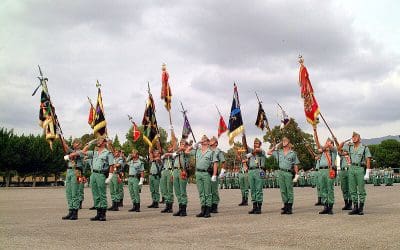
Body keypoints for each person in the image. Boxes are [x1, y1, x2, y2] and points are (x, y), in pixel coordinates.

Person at [81, 137, 114, 221]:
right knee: (95, 194)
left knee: (102, 194)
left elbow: (111, 165)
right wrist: (91, 142)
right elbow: (83, 152)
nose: (98, 142)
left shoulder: (108, 153)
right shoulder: (94, 153)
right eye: (98, 140)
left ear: (104, 143)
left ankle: (103, 214)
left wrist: (110, 177)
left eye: (100, 141)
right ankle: (98, 214)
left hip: (101, 174)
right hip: (93, 175)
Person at [185, 135, 218, 218]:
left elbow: (215, 163)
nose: (202, 141)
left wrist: (214, 174)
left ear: (207, 142)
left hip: (206, 173)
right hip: (198, 173)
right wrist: (195, 144)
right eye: (201, 139)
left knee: (207, 193)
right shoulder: (197, 151)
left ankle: (208, 211)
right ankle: (203, 210)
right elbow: (186, 151)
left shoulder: (211, 152)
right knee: (201, 193)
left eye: (204, 140)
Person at [341, 132, 372, 215]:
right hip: (351, 168)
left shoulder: (364, 148)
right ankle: (355, 207)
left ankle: (361, 208)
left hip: (360, 168)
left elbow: (368, 160)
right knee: (352, 189)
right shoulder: (349, 147)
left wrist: (367, 172)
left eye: (355, 136)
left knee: (361, 189)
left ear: (359, 138)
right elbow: (340, 151)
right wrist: (342, 143)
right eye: (352, 136)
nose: (353, 138)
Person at [267, 137, 299, 215]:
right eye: (283, 141)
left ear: (289, 143)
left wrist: (297, 174)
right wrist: (275, 146)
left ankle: (290, 207)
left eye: (285, 140)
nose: (284, 141)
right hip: (280, 172)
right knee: (283, 190)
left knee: (289, 190)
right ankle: (285, 206)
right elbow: (268, 152)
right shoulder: (279, 152)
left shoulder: (293, 153)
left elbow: (295, 164)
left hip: (288, 173)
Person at [313, 127, 337, 215]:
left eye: (328, 142)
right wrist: (315, 132)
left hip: (329, 170)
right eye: (326, 142)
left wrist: (326, 145)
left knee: (329, 189)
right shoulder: (322, 152)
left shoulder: (333, 151)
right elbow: (317, 143)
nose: (327, 143)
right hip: (321, 171)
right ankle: (325, 206)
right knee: (322, 189)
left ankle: (330, 207)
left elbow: (330, 146)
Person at [62, 138, 84, 220]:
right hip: (69, 171)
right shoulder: (71, 150)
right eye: (74, 143)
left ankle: (75, 212)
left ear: (80, 144)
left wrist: (68, 156)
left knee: (75, 192)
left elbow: (74, 155)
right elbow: (66, 147)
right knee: (69, 192)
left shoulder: (81, 152)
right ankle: (70, 211)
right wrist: (62, 139)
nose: (75, 144)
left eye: (77, 143)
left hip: (76, 171)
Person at [244, 138, 266, 215]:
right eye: (254, 143)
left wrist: (250, 154)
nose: (255, 144)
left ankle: (259, 207)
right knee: (252, 189)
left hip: (258, 170)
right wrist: (244, 137)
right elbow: (245, 146)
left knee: (258, 189)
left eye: (257, 143)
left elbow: (257, 150)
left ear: (260, 145)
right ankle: (254, 207)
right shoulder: (251, 151)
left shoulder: (262, 151)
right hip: (251, 171)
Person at [171, 139, 190, 216]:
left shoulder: (186, 152)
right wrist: (172, 174)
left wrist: (184, 149)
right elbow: (173, 155)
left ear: (186, 145)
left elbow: (187, 153)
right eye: (181, 143)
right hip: (175, 171)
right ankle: (180, 208)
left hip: (182, 171)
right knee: (177, 191)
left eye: (183, 144)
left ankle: (184, 210)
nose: (182, 145)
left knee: (182, 191)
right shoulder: (177, 152)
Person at [210, 136, 225, 213]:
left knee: (214, 190)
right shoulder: (207, 150)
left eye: (212, 140)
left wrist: (222, 171)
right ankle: (209, 205)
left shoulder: (218, 151)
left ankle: (215, 205)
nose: (210, 141)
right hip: (207, 172)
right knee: (208, 190)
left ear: (216, 143)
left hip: (214, 173)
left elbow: (223, 161)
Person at [160, 143, 175, 213]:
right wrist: (165, 154)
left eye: (170, 147)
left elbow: (172, 156)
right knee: (164, 189)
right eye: (168, 147)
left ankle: (170, 207)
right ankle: (167, 205)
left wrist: (168, 154)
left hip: (170, 171)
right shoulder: (165, 155)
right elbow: (161, 157)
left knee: (169, 189)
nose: (169, 148)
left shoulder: (174, 155)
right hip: (164, 171)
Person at [338, 142, 352, 210]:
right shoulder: (341, 156)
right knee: (344, 188)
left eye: (346, 150)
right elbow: (339, 149)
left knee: (350, 188)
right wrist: (341, 143)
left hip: (350, 171)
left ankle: (350, 203)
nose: (344, 151)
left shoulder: (352, 155)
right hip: (343, 171)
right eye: (344, 150)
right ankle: (346, 203)